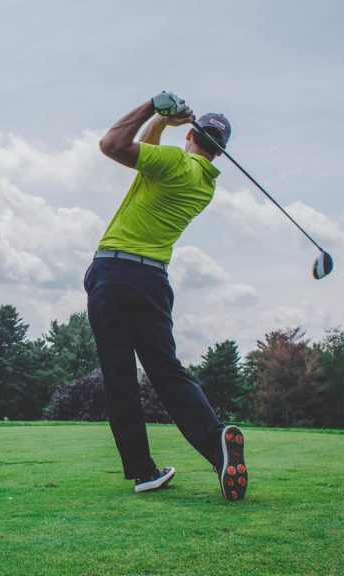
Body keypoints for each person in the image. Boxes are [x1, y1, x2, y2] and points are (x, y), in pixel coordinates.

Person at [84, 91, 247, 500]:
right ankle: (216, 446)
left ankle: (143, 471)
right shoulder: (203, 182)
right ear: (220, 154)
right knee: (168, 373)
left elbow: (112, 145)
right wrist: (163, 123)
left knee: (119, 376)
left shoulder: (174, 163)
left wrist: (150, 107)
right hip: (154, 282)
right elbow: (150, 152)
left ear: (191, 135)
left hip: (116, 274)